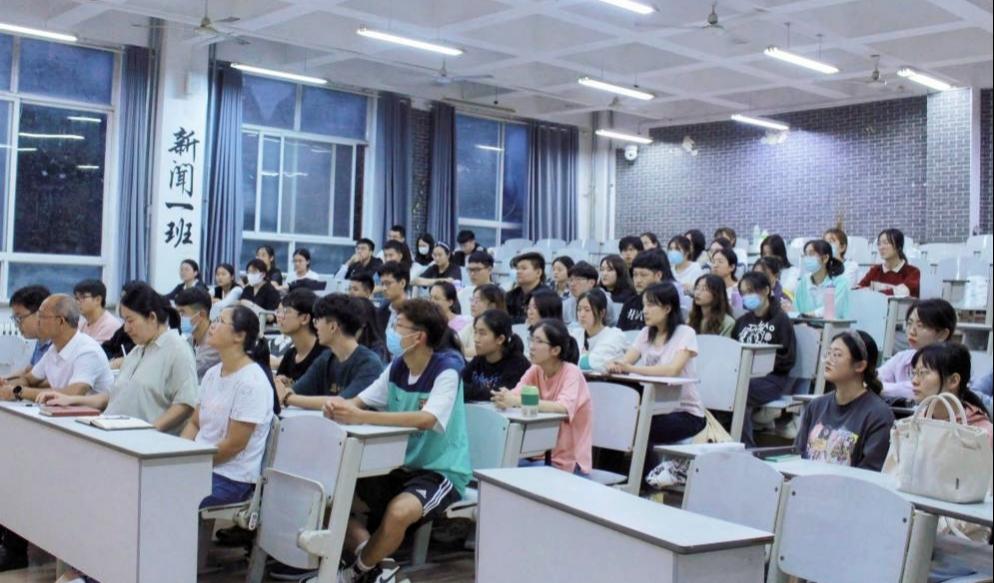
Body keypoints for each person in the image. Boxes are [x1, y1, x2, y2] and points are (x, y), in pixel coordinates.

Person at [324, 300, 471, 583]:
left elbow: (426, 419)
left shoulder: (447, 370)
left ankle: (353, 573)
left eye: (398, 326)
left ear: (419, 337)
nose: (391, 332)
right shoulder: (397, 366)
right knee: (333, 496)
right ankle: (381, 568)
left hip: (441, 471)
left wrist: (360, 416)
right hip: (397, 465)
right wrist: (339, 408)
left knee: (398, 512)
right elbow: (359, 402)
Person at [39, 283, 199, 433]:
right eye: (124, 321)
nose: (126, 328)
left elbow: (185, 404)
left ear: (152, 317)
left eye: (130, 320)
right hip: (114, 430)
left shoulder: (177, 349)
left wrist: (150, 430)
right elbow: (112, 397)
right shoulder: (138, 350)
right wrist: (70, 399)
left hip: (143, 440)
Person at [181, 305, 275, 509]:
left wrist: (191, 463)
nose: (212, 326)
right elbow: (195, 423)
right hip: (201, 465)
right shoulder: (212, 374)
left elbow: (234, 445)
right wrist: (178, 455)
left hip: (232, 478)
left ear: (239, 336)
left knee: (169, 493)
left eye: (220, 322)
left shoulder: (252, 382)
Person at [606, 282, 707, 472]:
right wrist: (614, 365)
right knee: (617, 421)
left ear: (668, 308)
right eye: (644, 305)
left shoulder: (685, 333)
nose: (645, 310)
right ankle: (613, 476)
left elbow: (672, 370)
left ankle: (645, 483)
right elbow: (626, 361)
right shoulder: (646, 333)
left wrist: (630, 368)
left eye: (651, 305)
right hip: (653, 408)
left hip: (686, 413)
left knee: (643, 427)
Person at [493, 319, 592, 476]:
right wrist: (504, 397)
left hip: (566, 461)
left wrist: (516, 401)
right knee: (498, 467)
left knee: (510, 474)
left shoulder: (572, 372)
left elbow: (563, 407)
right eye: (531, 340)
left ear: (555, 350)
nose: (532, 346)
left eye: (539, 341)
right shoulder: (535, 369)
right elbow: (515, 394)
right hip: (536, 454)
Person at [795, 330, 894, 471]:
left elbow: (870, 471)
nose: (828, 360)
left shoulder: (879, 415)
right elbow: (797, 455)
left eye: (837, 355)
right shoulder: (816, 406)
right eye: (828, 353)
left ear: (860, 366)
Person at [277, 295, 386, 408]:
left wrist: (287, 397)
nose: (315, 326)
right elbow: (298, 390)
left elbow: (342, 402)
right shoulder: (326, 358)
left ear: (333, 327)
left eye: (317, 321)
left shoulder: (369, 364)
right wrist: (281, 387)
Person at [0, 294, 114, 403]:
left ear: (60, 321)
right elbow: (28, 379)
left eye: (42, 316)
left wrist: (19, 391)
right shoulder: (53, 349)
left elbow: (72, 394)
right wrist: (6, 384)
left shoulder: (88, 351)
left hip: (94, 415)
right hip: (62, 413)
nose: (37, 321)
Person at [732, 272, 797, 447]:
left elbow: (788, 358)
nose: (747, 296)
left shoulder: (781, 320)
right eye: (744, 293)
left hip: (772, 378)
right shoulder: (742, 321)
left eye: (751, 291)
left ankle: (746, 447)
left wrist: (759, 365)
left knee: (741, 391)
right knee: (726, 388)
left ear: (766, 290)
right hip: (742, 375)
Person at [878, 299, 956, 402]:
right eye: (909, 323)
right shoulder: (902, 357)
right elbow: (874, 380)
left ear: (943, 334)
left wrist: (881, 388)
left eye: (921, 325)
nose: (912, 331)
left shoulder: (952, 362)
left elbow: (919, 389)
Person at [462, 309, 531, 402]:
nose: (476, 339)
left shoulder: (517, 364)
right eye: (475, 332)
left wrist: (467, 390)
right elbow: (459, 384)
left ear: (500, 339)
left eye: (482, 333)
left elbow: (498, 395)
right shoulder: (479, 359)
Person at [273, 289, 328, 391]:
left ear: (305, 318)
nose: (279, 316)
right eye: (279, 311)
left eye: (286, 311)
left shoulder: (324, 355)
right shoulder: (289, 355)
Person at [787, 239, 851, 319]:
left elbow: (832, 311)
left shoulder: (840, 282)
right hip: (804, 325)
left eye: (811, 254)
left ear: (825, 258)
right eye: (805, 255)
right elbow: (796, 310)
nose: (807, 258)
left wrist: (807, 315)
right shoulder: (802, 283)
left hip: (832, 326)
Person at [575, 289, 628, 373]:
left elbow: (593, 363)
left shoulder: (615, 335)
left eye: (587, 310)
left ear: (602, 313)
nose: (581, 314)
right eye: (579, 309)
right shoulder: (575, 334)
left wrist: (579, 359)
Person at [858, 228, 920, 297]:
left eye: (886, 243)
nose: (881, 247)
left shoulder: (913, 272)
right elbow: (859, 290)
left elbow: (905, 292)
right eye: (879, 244)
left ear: (899, 247)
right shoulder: (875, 271)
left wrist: (872, 293)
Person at [618, 250, 671, 332]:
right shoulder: (629, 303)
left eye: (643, 275)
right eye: (635, 275)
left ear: (658, 275)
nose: (638, 280)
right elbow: (619, 331)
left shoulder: (665, 304)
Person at [175, 287, 221, 380]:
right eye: (178, 313)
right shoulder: (190, 341)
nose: (179, 317)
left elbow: (184, 372)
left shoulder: (215, 344)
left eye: (183, 313)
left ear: (201, 315)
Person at [9, 285, 52, 371]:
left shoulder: (57, 345)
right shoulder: (41, 340)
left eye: (19, 318)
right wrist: (5, 378)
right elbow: (29, 370)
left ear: (40, 314)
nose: (17, 325)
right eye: (15, 319)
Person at [460, 284, 506, 359]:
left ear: (492, 306)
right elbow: (456, 343)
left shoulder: (501, 328)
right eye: (472, 300)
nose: (472, 304)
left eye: (477, 301)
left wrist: (463, 351)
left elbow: (482, 351)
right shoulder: (471, 326)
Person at [73, 279, 122, 343]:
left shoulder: (110, 325)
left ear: (98, 300)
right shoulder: (82, 322)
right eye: (76, 298)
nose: (77, 302)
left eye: (83, 297)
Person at [506, 252, 548, 324]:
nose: (518, 272)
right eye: (517, 269)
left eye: (524, 268)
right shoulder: (511, 296)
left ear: (538, 272)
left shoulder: (547, 297)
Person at [376, 261, 410, 346]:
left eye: (388, 283)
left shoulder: (417, 312)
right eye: (382, 284)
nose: (384, 288)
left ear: (402, 283)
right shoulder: (381, 312)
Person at [563, 261, 599, 326]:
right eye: (570, 280)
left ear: (591, 283)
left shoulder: (603, 301)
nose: (572, 284)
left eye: (578, 279)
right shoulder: (565, 305)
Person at [458, 251, 494, 315]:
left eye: (477, 270)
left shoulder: (498, 294)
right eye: (470, 270)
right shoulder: (462, 294)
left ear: (489, 270)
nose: (472, 274)